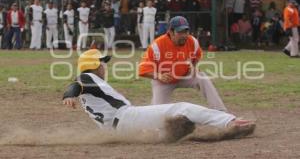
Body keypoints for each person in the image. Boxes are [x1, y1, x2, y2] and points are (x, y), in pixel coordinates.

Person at [62, 49, 256, 142]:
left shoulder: (89, 83)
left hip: (118, 129)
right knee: (182, 107)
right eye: (101, 63)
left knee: (173, 122)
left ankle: (168, 133)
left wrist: (71, 94)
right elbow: (76, 86)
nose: (104, 66)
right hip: (126, 118)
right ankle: (230, 122)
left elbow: (78, 86)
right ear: (93, 66)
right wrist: (68, 95)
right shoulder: (87, 77)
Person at [138, 16, 227, 111]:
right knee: (158, 113)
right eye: (180, 32)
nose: (184, 35)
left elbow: (197, 55)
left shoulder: (192, 41)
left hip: (185, 76)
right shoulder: (157, 46)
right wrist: (159, 76)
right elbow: (143, 70)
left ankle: (220, 111)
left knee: (201, 76)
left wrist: (193, 66)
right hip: (163, 81)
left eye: (186, 31)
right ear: (171, 32)